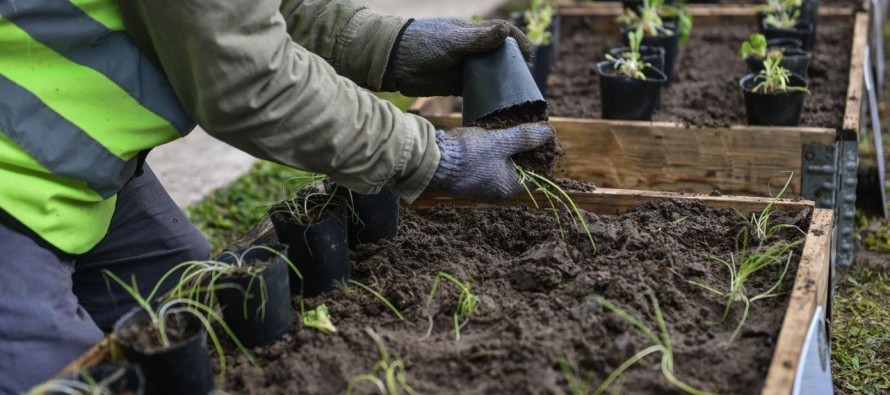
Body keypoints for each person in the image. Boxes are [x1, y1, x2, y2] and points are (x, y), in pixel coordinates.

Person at [0, 0, 554, 391]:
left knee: (208, 313)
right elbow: (248, 82)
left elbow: (247, 14)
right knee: (66, 378)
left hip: (82, 157)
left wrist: (389, 46)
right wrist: (433, 156)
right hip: (15, 172)